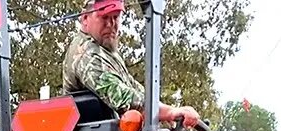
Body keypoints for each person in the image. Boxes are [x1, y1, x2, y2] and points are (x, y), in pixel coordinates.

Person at [62, 0, 201, 124]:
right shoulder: (86, 54)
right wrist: (168, 113)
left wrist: (168, 111)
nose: (111, 24)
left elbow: (132, 86)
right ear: (85, 18)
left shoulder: (105, 51)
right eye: (104, 17)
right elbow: (122, 97)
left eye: (115, 17)